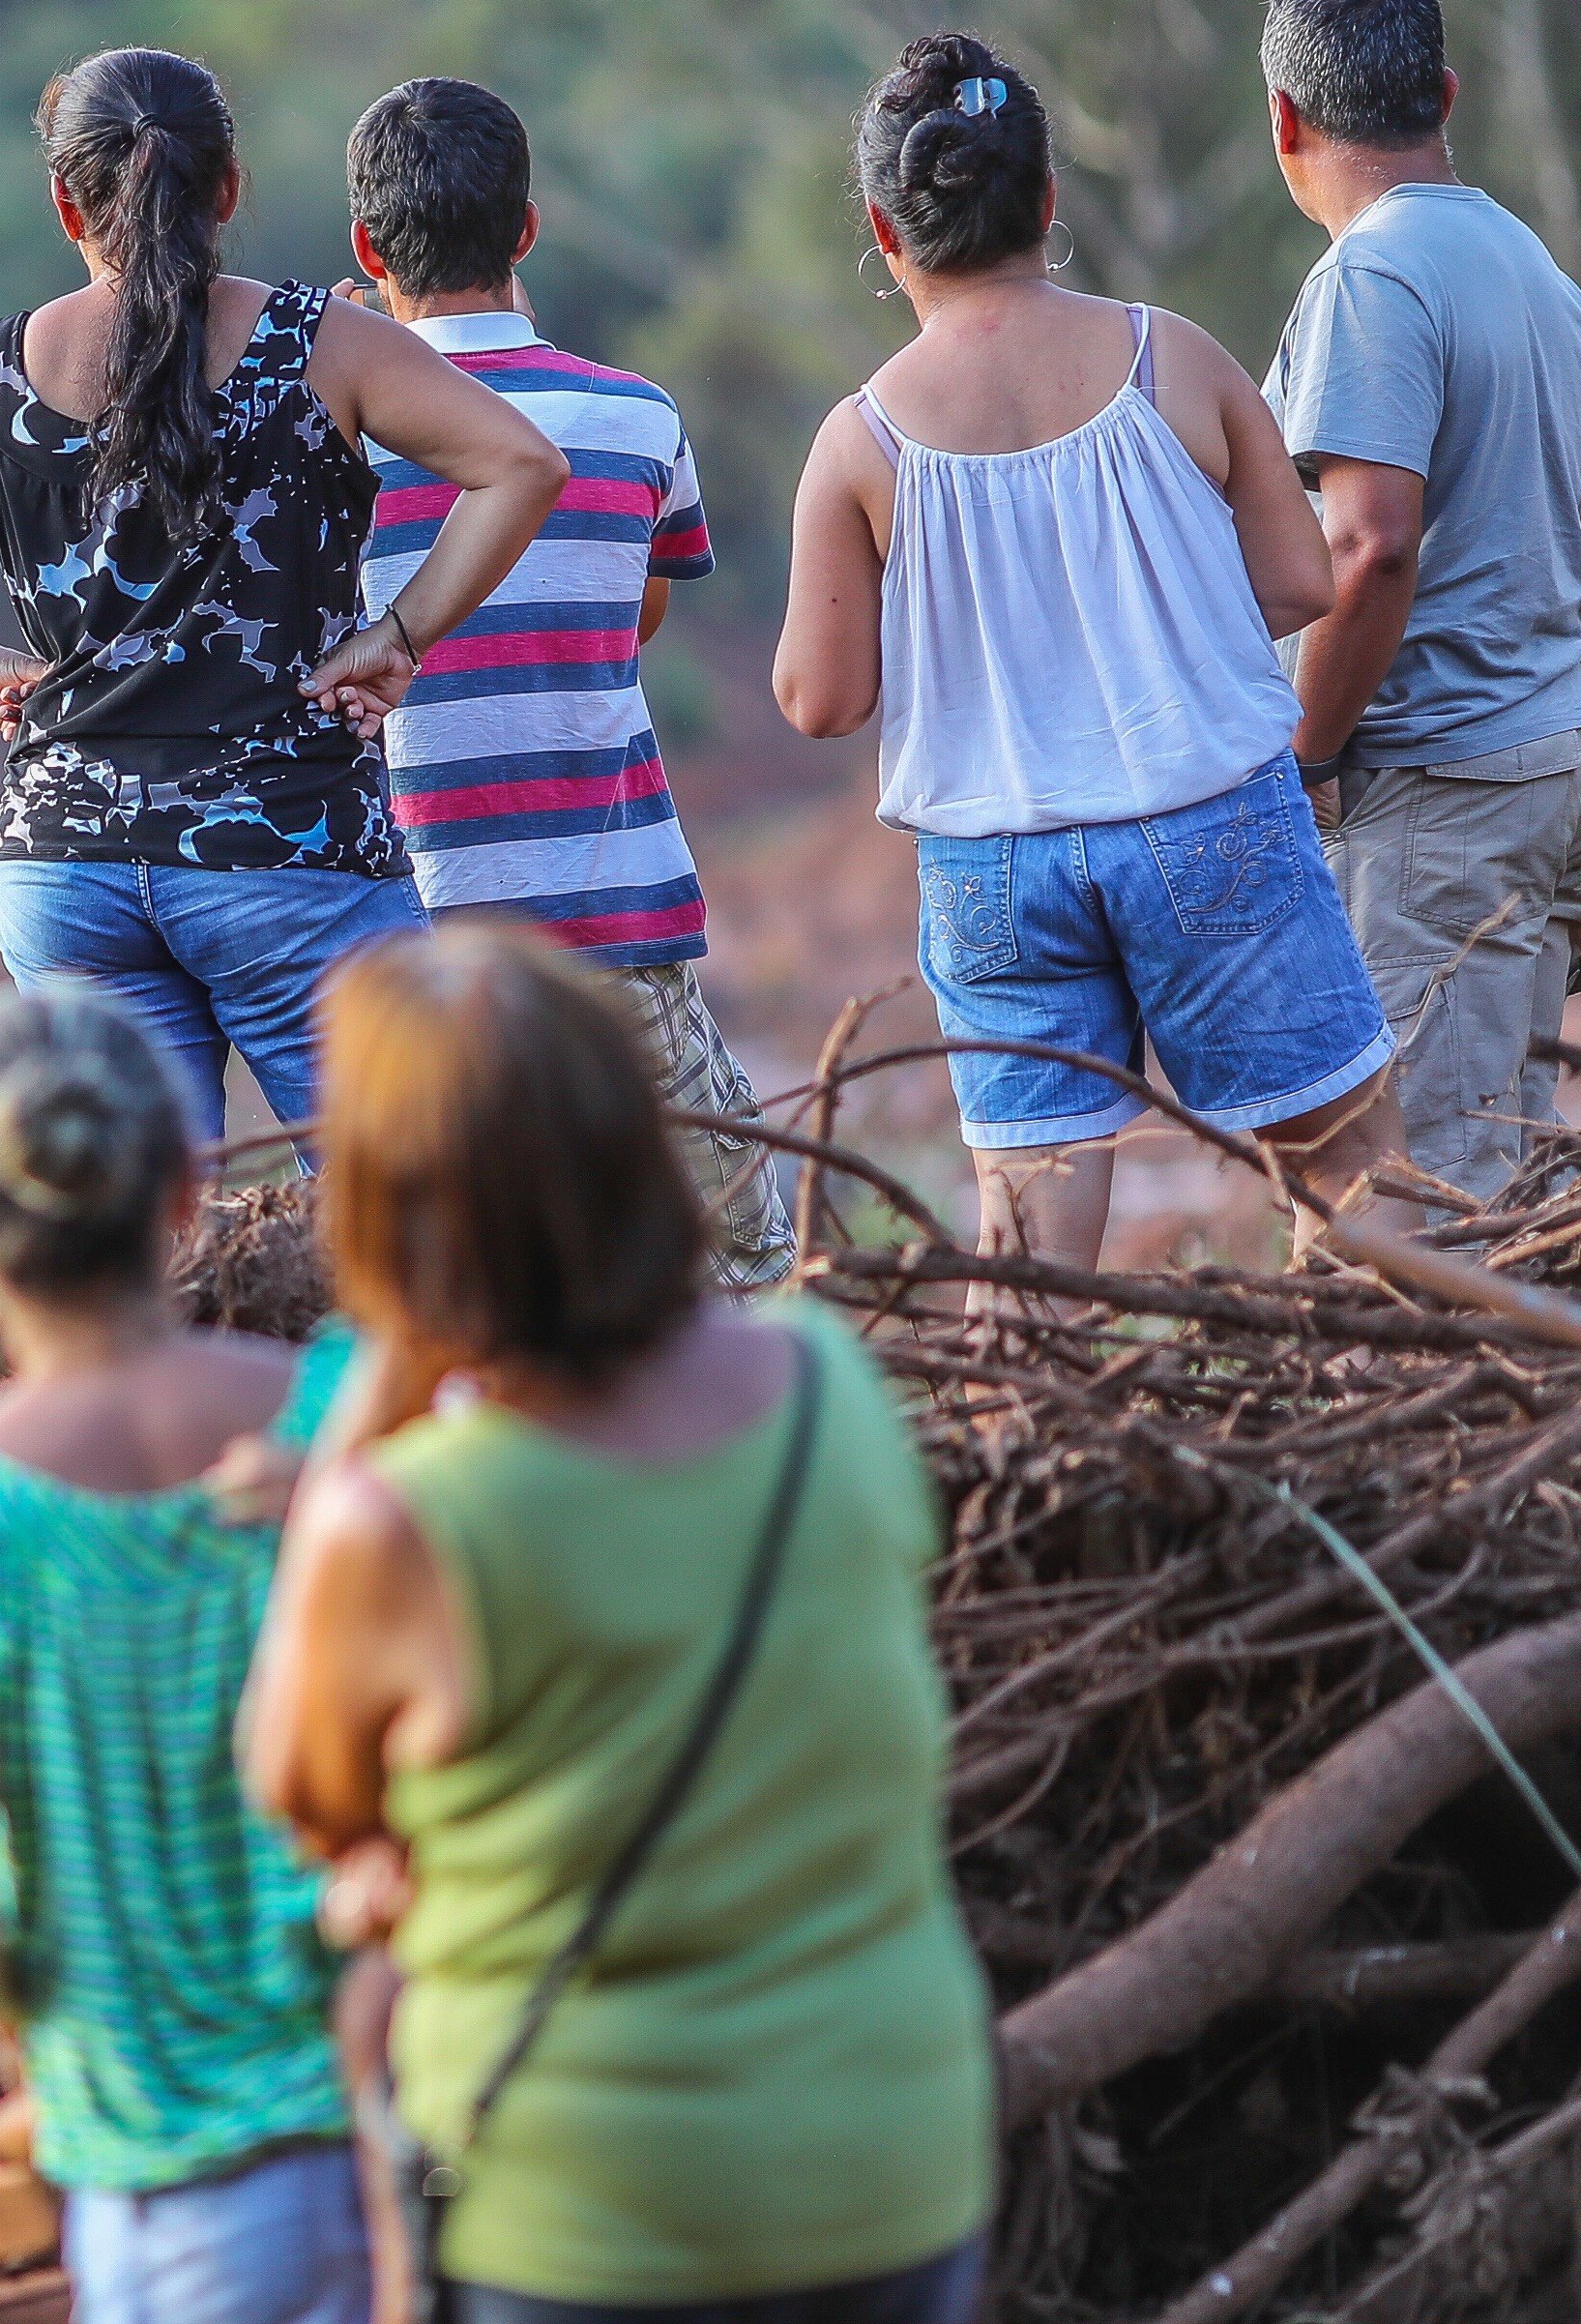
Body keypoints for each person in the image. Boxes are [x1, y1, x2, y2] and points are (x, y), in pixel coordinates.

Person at [241, 926, 993, 2324]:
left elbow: (299, 1790)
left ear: (387, 1215)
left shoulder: (407, 1520)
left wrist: (387, 1372)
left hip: (594, 2220)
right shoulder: (828, 1388)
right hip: (898, 2158)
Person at [0, 46, 569, 1145]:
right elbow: (522, 465)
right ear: (230, 187)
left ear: (66, 203)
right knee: (408, 1210)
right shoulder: (324, 343)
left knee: (148, 1234)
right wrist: (399, 635)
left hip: (67, 865)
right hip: (290, 852)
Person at [773, 32, 1403, 1261]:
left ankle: (1018, 1444)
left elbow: (820, 698)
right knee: (1352, 1180)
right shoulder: (1175, 356)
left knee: (1026, 1239)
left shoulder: (858, 443)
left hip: (993, 869)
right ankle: (1404, 1428)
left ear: (884, 229)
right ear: (1048, 201)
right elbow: (1295, 579)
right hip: (1210, 819)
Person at [0, 985, 366, 2324]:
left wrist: (58, 2029)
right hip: (433, 2137)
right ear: (188, 1188)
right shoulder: (341, 1423)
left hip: (174, 2199)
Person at [337, 77, 792, 1287]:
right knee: (733, 1252)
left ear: (367, 247)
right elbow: (631, 617)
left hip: (417, 942)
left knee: (454, 1271)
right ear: (526, 232)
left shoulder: (325, 435)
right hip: (611, 924)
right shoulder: (634, 419)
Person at [1263, 0, 1581, 1206]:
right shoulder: (1541, 274)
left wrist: (1307, 754)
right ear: (1448, 95)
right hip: (1563, 759)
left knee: (1422, 1207)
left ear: (1284, 119)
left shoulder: (1371, 278)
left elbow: (1370, 542)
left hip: (1446, 792)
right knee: (1503, 1180)